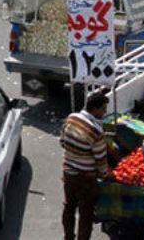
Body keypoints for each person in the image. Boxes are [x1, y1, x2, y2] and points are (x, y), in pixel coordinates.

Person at [60, 90, 110, 240]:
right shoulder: (96, 130)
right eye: (103, 109)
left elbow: (62, 142)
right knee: (86, 212)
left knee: (69, 206)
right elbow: (100, 159)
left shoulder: (71, 118)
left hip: (69, 173)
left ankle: (68, 236)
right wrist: (104, 173)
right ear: (94, 109)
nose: (105, 112)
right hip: (86, 178)